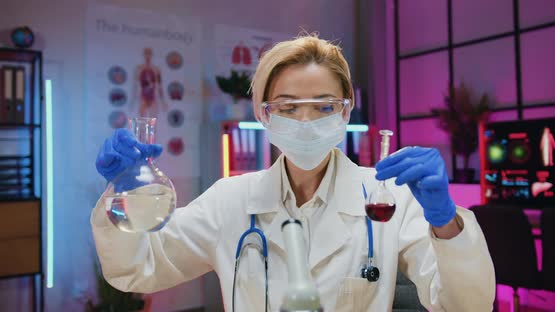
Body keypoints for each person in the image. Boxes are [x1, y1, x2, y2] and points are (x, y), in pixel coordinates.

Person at [93, 35, 495, 311]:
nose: (305, 121)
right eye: (287, 107)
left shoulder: (386, 197)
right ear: (263, 114)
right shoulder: (230, 200)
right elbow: (137, 269)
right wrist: (124, 192)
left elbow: (466, 305)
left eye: (323, 107)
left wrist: (446, 223)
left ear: (346, 111)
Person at [131, 47, 168, 117]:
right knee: (142, 121)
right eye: (146, 54)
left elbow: (160, 86)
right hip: (143, 98)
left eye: (149, 54)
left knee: (152, 122)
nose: (147, 56)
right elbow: (135, 86)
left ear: (151, 55)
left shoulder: (156, 69)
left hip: (153, 98)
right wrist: (133, 100)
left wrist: (163, 101)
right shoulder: (139, 69)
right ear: (143, 55)